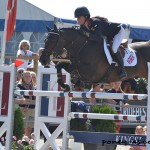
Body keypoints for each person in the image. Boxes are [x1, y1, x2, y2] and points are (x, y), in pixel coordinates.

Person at [74, 6, 127, 79]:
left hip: (118, 31)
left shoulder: (95, 22)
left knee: (114, 48)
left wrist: (86, 34)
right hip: (107, 35)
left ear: (85, 17)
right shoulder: (83, 26)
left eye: (79, 18)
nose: (78, 20)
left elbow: (98, 38)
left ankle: (122, 69)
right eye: (77, 18)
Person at [15, 71, 36, 139]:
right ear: (22, 77)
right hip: (23, 108)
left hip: (32, 108)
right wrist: (28, 101)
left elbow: (35, 98)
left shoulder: (33, 86)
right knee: (23, 125)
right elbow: (21, 99)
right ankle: (22, 140)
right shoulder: (19, 86)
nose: (28, 77)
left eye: (29, 76)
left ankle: (27, 141)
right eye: (26, 76)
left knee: (30, 126)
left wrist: (29, 101)